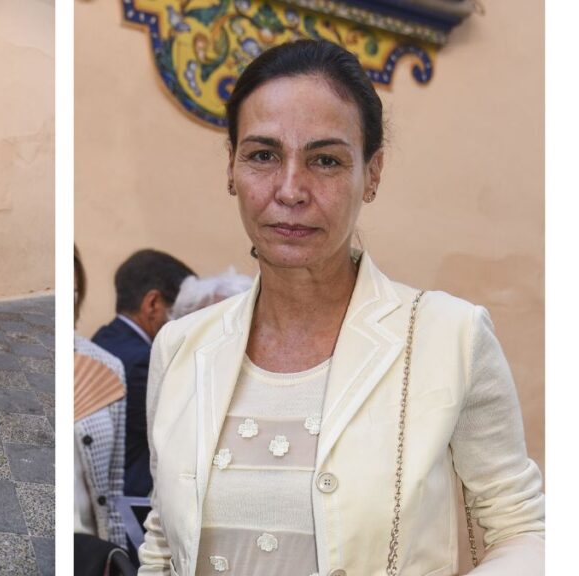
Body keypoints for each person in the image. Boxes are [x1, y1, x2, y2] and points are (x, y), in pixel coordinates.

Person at [139, 40, 544, 575]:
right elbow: (164, 546)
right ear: (231, 168)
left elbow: (521, 529)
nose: (290, 190)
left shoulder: (448, 337)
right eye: (263, 155)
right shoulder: (182, 347)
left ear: (371, 174)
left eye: (325, 160)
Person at [93, 249, 195, 498]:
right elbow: (182, 437)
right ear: (153, 304)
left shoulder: (103, 337)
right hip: (133, 506)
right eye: (185, 310)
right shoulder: (143, 363)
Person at [74, 246, 128, 548]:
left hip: (93, 552)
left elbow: (115, 484)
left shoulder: (109, 366)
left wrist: (117, 552)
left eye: (74, 290)